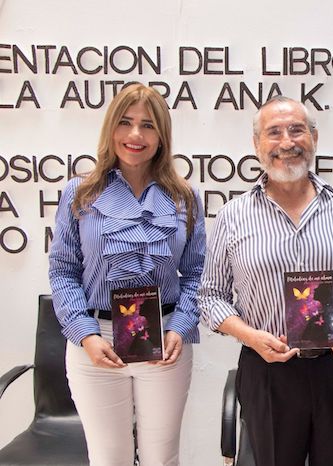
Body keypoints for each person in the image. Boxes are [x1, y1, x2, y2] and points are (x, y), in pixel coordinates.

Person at [197, 95, 333, 466]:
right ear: (257, 145)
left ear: (313, 137)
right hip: (267, 371)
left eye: (297, 130)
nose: (287, 142)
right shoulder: (234, 215)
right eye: (274, 132)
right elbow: (211, 297)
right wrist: (251, 336)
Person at [48, 83, 206, 466]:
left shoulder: (184, 196)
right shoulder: (80, 193)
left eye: (148, 125)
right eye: (126, 122)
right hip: (96, 345)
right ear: (110, 129)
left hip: (164, 342)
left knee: (161, 458)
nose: (136, 135)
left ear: (162, 136)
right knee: (107, 459)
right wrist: (84, 335)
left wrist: (179, 327)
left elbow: (198, 272)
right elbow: (63, 270)